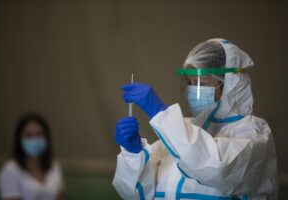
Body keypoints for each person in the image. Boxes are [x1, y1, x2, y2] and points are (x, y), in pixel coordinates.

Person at [112, 38, 278, 199]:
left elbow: (216, 167)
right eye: (190, 83)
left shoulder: (254, 134)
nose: (194, 90)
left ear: (231, 85)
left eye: (202, 84)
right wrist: (134, 156)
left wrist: (160, 112)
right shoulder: (179, 133)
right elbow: (133, 194)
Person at [0, 113, 65, 200]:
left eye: (39, 134)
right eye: (28, 136)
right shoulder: (10, 169)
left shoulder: (54, 165)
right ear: (19, 139)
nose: (34, 140)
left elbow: (61, 197)